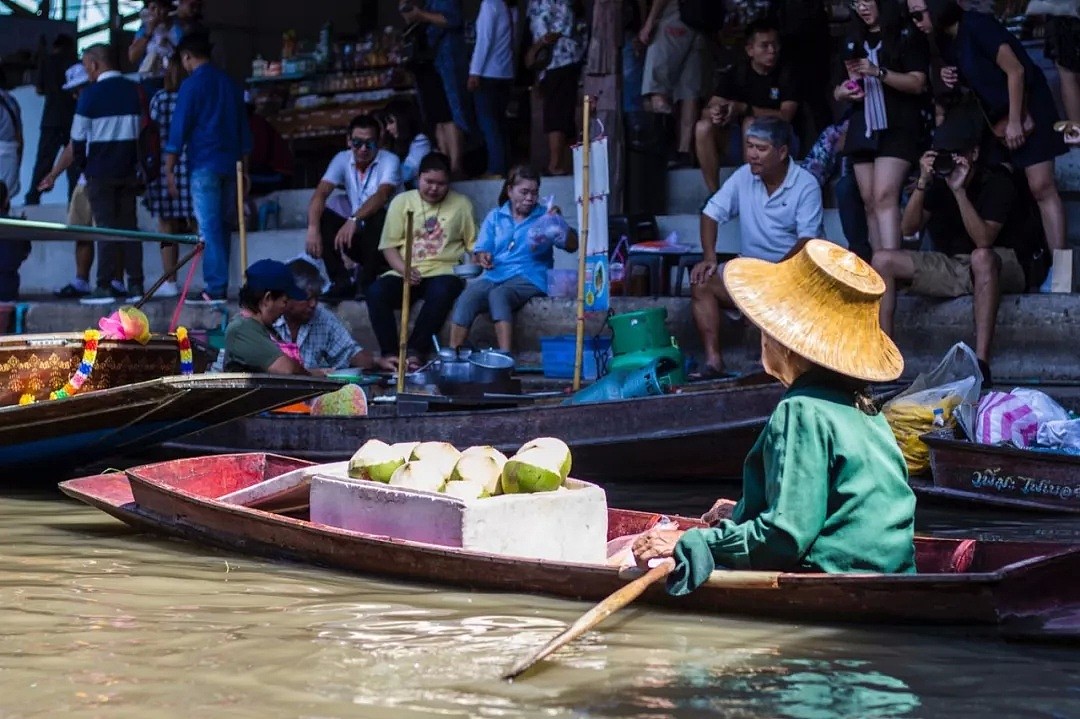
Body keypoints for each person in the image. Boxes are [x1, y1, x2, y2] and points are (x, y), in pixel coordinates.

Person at [632, 240, 916, 586]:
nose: (762, 335)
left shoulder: (800, 411)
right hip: (893, 571)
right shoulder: (865, 407)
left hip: (833, 575)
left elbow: (783, 538)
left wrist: (688, 541)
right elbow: (829, 507)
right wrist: (740, 512)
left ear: (785, 341)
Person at [873, 108, 1039, 387]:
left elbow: (984, 239)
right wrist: (923, 185)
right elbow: (907, 230)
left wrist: (960, 191)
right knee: (881, 259)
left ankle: (981, 364)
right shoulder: (938, 182)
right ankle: (883, 359)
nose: (948, 160)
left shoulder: (998, 181)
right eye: (942, 154)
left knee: (981, 256)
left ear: (973, 153)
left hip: (1002, 263)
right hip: (955, 264)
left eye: (955, 153)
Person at [911, 0, 1067, 290]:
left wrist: (1016, 121)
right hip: (997, 120)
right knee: (1009, 185)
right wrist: (949, 77)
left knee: (1042, 186)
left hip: (1028, 108)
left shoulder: (978, 25)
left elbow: (1016, 71)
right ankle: (1031, 263)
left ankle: (1063, 275)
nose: (916, 21)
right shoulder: (946, 41)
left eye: (920, 13)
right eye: (911, 15)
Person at [689, 117, 824, 379]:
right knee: (702, 282)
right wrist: (709, 257)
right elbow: (710, 214)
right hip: (751, 272)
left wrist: (773, 274)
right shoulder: (742, 177)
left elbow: (808, 241)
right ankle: (713, 362)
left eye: (761, 149)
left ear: (782, 152)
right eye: (749, 146)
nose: (752, 155)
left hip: (792, 274)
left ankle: (775, 367)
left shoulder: (806, 184)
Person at [449, 165, 578, 352]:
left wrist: (560, 225)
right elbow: (481, 251)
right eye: (524, 192)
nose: (529, 198)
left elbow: (573, 246)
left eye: (534, 193)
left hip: (532, 276)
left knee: (499, 295)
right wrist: (483, 257)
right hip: (496, 275)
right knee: (468, 296)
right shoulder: (495, 216)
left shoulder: (545, 216)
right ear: (510, 190)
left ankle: (505, 357)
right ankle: (454, 355)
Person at [834, 0, 929, 255]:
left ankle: (892, 266)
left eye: (867, 1)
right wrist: (844, 91)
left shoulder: (905, 33)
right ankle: (880, 271)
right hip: (862, 126)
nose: (862, 8)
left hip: (897, 125)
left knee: (885, 197)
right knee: (869, 201)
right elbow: (837, 87)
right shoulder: (851, 37)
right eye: (856, 3)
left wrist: (878, 72)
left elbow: (918, 83)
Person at [367, 152, 476, 369]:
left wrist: (478, 261)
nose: (434, 188)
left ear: (449, 183)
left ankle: (416, 351)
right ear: (418, 178)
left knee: (443, 290)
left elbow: (474, 245)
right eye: (429, 182)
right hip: (405, 271)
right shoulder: (401, 202)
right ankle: (390, 355)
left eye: (441, 183)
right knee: (376, 292)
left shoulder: (462, 204)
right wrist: (404, 269)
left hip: (444, 272)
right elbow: (388, 246)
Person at [166, 32, 252, 304]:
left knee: (209, 228)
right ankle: (219, 285)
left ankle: (215, 289)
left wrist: (169, 170)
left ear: (187, 57)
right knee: (223, 227)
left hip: (204, 164)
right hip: (232, 165)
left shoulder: (191, 86)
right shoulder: (230, 84)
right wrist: (245, 171)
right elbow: (244, 133)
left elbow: (178, 130)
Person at [71, 44, 145, 302]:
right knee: (131, 229)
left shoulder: (89, 96)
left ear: (94, 64)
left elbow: (77, 139)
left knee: (104, 229)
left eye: (86, 66)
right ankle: (136, 284)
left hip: (99, 172)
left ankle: (103, 285)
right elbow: (144, 134)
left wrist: (84, 166)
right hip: (129, 171)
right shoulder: (135, 91)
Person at [695, 20, 798, 194]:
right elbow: (709, 108)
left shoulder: (786, 73)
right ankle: (715, 195)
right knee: (702, 127)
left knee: (751, 123)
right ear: (750, 50)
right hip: (738, 143)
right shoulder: (737, 74)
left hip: (779, 142)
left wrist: (744, 109)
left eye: (775, 45)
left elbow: (786, 115)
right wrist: (716, 112)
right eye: (764, 46)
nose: (772, 51)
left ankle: (751, 192)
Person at [305, 114, 401, 299]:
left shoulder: (390, 161)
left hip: (390, 242)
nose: (363, 149)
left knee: (378, 215)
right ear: (348, 141)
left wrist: (354, 219)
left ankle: (366, 282)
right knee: (324, 217)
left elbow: (382, 195)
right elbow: (321, 193)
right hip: (361, 240)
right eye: (357, 143)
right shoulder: (342, 159)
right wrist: (312, 227)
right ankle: (341, 282)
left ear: (379, 141)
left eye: (369, 143)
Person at [275, 259, 394, 372]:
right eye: (307, 299)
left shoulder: (322, 317)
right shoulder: (270, 320)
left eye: (316, 297)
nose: (313, 304)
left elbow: (348, 352)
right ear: (287, 298)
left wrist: (377, 361)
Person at [401, 0, 475, 177]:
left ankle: (456, 165)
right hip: (425, 62)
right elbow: (409, 20)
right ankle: (444, 164)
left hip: (445, 61)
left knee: (450, 116)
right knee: (437, 118)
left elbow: (453, 20)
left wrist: (421, 15)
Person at [144, 59, 195, 299]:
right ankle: (199, 277)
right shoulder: (193, 97)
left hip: (167, 167)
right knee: (197, 223)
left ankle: (171, 279)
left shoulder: (159, 100)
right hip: (192, 165)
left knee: (167, 227)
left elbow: (150, 133)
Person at [638, 0, 709, 169]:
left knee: (657, 88)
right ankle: (684, 151)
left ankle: (662, 149)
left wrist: (649, 22)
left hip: (673, 16)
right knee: (689, 91)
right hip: (699, 22)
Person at [527, 0, 588, 175]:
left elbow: (560, 29)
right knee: (557, 113)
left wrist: (537, 48)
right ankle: (561, 163)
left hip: (561, 60)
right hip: (550, 64)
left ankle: (556, 164)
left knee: (557, 114)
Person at [222, 259, 311, 375]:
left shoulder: (264, 328)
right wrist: (311, 374)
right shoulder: (241, 329)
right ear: (267, 299)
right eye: (284, 301)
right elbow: (285, 369)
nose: (285, 309)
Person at [25, 33, 77, 206]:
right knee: (74, 161)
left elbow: (39, 90)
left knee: (44, 159)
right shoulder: (73, 62)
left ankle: (33, 197)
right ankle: (73, 198)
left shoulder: (47, 61)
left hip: (51, 117)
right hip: (71, 117)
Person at [468, 0, 517, 178]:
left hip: (489, 73)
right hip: (505, 72)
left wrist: (475, 72)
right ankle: (505, 166)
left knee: (489, 123)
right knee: (499, 124)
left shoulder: (490, 4)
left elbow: (484, 40)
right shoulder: (506, 6)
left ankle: (496, 169)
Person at [128, 0, 182, 91]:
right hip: (148, 78)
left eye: (161, 8)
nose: (157, 12)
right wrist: (149, 32)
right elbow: (132, 57)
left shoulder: (177, 29)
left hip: (171, 78)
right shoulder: (143, 30)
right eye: (153, 8)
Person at [383, 99, 433, 187]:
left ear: (402, 120)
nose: (387, 128)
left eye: (391, 122)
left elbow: (408, 172)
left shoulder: (421, 141)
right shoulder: (397, 143)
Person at [0, 181, 30, 305]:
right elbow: (24, 253)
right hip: (8, 291)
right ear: (6, 199)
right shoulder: (18, 225)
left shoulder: (18, 225)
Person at [0, 77, 22, 207]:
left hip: (6, 149)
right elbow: (19, 134)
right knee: (6, 195)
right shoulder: (11, 100)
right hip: (12, 150)